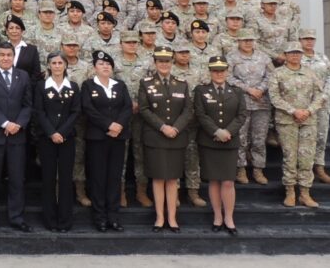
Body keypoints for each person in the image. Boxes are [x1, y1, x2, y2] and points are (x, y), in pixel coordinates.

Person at [0, 42, 33, 232]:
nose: (6, 58)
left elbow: (28, 104)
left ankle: (17, 218)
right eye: (2, 55)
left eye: (9, 55)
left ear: (13, 56)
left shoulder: (23, 76)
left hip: (17, 135)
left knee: (17, 179)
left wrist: (18, 124)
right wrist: (5, 123)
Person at [137, 45, 193, 232]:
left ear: (172, 62)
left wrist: (175, 128)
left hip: (176, 138)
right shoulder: (146, 83)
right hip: (155, 137)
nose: (164, 64)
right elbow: (144, 110)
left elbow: (187, 110)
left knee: (173, 179)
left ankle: (172, 217)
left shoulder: (182, 83)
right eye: (160, 61)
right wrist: (163, 127)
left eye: (167, 61)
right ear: (155, 63)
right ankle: (160, 218)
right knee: (159, 178)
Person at [193, 55, 247, 235]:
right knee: (214, 181)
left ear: (227, 71)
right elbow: (200, 115)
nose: (218, 74)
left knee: (228, 182)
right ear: (210, 72)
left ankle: (229, 217)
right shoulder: (201, 91)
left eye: (222, 70)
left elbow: (241, 115)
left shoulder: (237, 91)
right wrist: (217, 131)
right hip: (209, 141)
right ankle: (217, 216)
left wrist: (228, 132)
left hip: (229, 142)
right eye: (215, 71)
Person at [269, 42, 325, 209]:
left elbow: (320, 96)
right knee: (290, 156)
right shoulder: (277, 74)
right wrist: (293, 111)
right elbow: (274, 97)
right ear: (285, 55)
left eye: (298, 53)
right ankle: (290, 191)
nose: (295, 55)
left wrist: (308, 111)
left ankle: (305, 193)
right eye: (291, 53)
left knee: (307, 157)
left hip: (308, 121)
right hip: (287, 121)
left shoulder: (310, 73)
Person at [80, 50, 131, 232]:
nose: (105, 67)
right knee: (98, 178)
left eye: (108, 64)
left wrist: (118, 126)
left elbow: (127, 107)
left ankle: (114, 216)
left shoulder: (120, 85)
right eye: (101, 64)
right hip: (97, 137)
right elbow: (87, 108)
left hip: (118, 137)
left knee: (114, 178)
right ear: (94, 68)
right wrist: (108, 125)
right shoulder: (88, 85)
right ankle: (99, 217)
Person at [32, 52, 80, 232]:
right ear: (49, 65)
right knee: (48, 178)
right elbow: (39, 111)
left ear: (66, 66)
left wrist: (62, 132)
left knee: (66, 179)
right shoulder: (41, 86)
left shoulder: (73, 86)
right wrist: (52, 132)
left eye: (61, 63)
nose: (58, 66)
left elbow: (76, 112)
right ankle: (50, 220)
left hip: (67, 138)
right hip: (47, 138)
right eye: (54, 63)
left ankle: (65, 220)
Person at [228, 28, 275, 185]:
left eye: (250, 40)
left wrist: (260, 89)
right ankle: (240, 169)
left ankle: (258, 169)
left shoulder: (263, 57)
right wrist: (248, 89)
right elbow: (227, 77)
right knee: (240, 138)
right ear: (239, 41)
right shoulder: (231, 57)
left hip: (261, 104)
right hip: (241, 103)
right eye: (244, 40)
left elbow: (271, 76)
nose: (248, 43)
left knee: (259, 139)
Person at [300, 28, 330, 184]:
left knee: (321, 136)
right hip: (303, 105)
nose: (309, 41)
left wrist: (325, 95)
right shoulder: (296, 58)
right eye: (306, 39)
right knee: (304, 139)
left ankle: (320, 167)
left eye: (312, 39)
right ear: (300, 40)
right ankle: (305, 170)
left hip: (321, 104)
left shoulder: (322, 58)